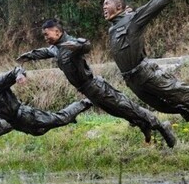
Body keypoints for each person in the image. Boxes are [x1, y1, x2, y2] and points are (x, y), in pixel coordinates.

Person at [16, 19, 177, 147]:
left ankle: (162, 126)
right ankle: (145, 126)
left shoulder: (71, 44)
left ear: (57, 31)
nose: (45, 38)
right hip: (88, 92)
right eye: (44, 35)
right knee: (119, 112)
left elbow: (86, 45)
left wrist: (78, 45)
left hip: (96, 87)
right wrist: (28, 56)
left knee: (128, 108)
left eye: (47, 34)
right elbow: (44, 52)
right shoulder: (56, 48)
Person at [102, 0, 189, 131]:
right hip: (131, 80)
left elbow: (155, 5)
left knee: (178, 91)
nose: (104, 7)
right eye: (104, 5)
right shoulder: (112, 29)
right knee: (162, 106)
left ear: (119, 6)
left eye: (107, 3)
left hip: (144, 72)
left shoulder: (132, 20)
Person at [0, 64, 92, 136]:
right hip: (16, 123)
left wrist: (20, 75)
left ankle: (86, 102)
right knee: (39, 132)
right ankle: (67, 118)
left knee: (60, 119)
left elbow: (16, 70)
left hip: (25, 115)